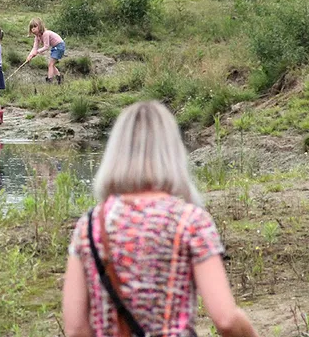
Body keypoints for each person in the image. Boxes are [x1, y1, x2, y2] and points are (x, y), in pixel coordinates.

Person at [62, 101, 259, 337]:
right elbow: (226, 319)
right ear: (173, 152)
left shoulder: (90, 224)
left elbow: (75, 328)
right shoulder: (190, 221)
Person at [26, 17, 65, 84]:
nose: (33, 29)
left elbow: (46, 47)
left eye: (35, 27)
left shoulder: (45, 33)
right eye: (31, 28)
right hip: (54, 47)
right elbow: (35, 47)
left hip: (59, 46)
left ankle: (49, 81)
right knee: (51, 65)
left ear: (40, 26)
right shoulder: (37, 37)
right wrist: (30, 56)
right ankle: (59, 78)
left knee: (50, 64)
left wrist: (37, 52)